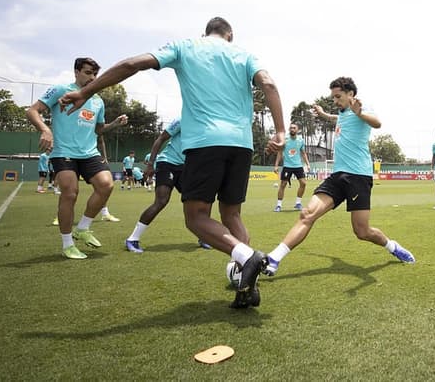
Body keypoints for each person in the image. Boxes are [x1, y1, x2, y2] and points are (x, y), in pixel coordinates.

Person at [58, 17, 285, 308]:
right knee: (232, 215)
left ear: (205, 33)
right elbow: (268, 83)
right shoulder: (244, 54)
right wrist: (279, 131)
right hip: (241, 145)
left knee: (196, 217)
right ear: (230, 35)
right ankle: (246, 284)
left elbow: (132, 64)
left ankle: (245, 257)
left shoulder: (185, 46)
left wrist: (85, 91)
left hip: (205, 142)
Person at [263, 76, 415, 277]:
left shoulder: (362, 108)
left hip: (358, 177)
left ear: (350, 94)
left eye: (338, 96)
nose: (335, 100)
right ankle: (274, 258)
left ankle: (393, 246)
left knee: (362, 232)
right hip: (337, 176)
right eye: (333, 97)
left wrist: (359, 112)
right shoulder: (342, 113)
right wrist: (324, 114)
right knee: (307, 214)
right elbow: (338, 118)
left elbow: (377, 123)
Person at [26, 57, 128, 259]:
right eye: (88, 72)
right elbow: (32, 111)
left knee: (106, 185)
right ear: (76, 71)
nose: (92, 77)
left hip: (89, 153)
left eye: (95, 74)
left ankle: (83, 227)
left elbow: (99, 130)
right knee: (70, 193)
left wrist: (114, 124)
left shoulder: (98, 100)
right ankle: (67, 244)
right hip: (64, 152)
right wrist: (45, 129)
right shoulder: (60, 90)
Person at [124, 117, 211, 253]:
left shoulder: (209, 126)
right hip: (167, 162)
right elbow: (160, 139)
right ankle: (132, 239)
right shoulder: (183, 119)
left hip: (186, 168)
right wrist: (151, 164)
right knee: (161, 201)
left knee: (199, 201)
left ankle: (203, 237)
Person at [273, 122, 311, 212]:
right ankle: (278, 205)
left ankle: (298, 203)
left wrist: (308, 164)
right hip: (287, 166)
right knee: (283, 184)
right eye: (291, 128)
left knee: (303, 183)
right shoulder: (285, 139)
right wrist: (276, 165)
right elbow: (279, 152)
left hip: (298, 166)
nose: (292, 129)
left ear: (297, 130)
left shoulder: (301, 140)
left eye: (294, 128)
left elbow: (303, 153)